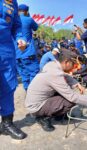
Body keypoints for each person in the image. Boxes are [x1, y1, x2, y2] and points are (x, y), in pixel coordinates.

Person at [25, 54, 87, 132]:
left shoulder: (52, 65)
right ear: (66, 62)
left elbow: (65, 76)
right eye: (73, 65)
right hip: (36, 107)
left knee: (66, 89)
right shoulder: (55, 74)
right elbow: (72, 97)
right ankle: (42, 118)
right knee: (70, 101)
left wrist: (77, 84)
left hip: (35, 101)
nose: (74, 68)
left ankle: (57, 114)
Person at [0, 0, 27, 139]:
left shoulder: (12, 2)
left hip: (6, 50)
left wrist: (20, 38)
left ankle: (6, 123)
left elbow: (16, 25)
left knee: (8, 86)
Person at [16, 4, 39, 91]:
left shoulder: (13, 21)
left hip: (17, 54)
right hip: (28, 52)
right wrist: (28, 16)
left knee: (24, 76)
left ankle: (28, 93)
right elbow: (36, 28)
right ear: (26, 11)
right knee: (34, 73)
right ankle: (33, 95)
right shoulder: (28, 19)